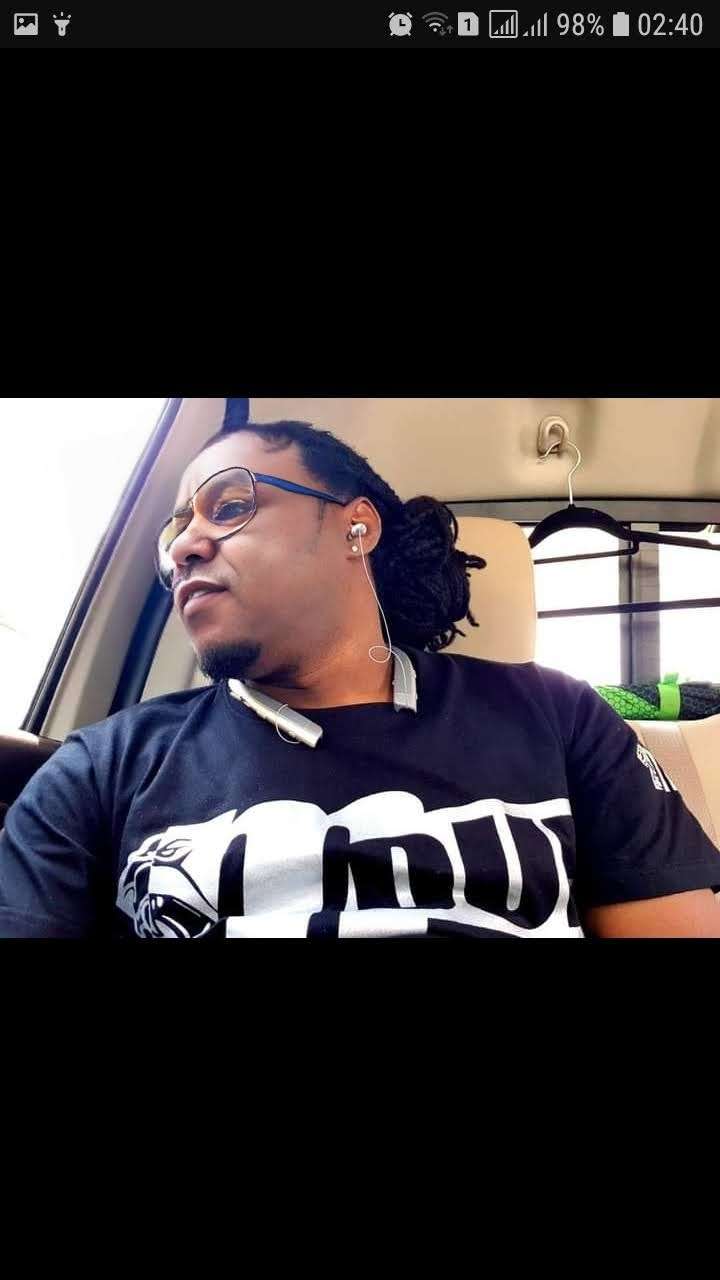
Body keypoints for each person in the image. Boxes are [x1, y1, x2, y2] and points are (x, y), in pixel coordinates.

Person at [1, 417, 719, 940]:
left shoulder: (559, 716)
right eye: (175, 532)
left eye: (230, 506)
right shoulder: (100, 766)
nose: (184, 545)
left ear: (357, 527)